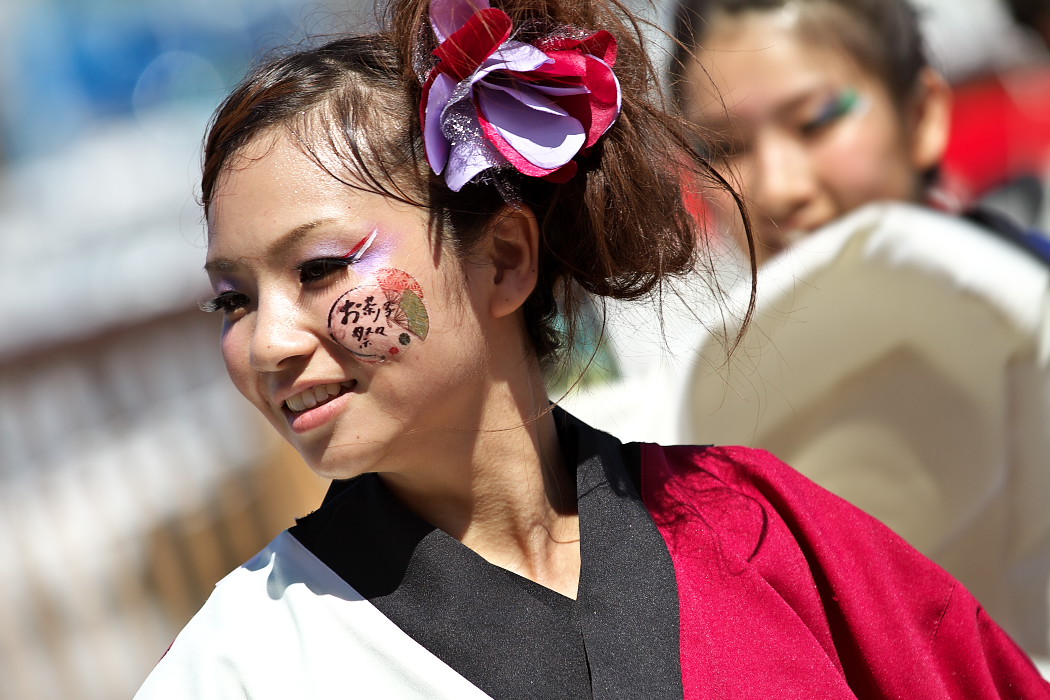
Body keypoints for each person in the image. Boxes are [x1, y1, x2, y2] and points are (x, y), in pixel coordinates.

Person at [135, 0, 1050, 695]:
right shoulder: (243, 666)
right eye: (233, 300)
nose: (270, 343)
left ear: (502, 259)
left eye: (323, 269)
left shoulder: (763, 523)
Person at [564, 0, 1050, 668]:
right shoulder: (689, 426)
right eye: (727, 148)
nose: (778, 187)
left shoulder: (1027, 316)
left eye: (817, 121)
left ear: (923, 114)